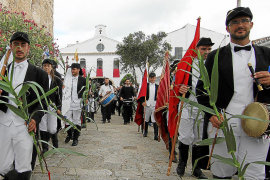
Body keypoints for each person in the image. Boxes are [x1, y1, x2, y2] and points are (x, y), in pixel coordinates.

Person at [196, 7, 270, 179]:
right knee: (221, 171)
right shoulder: (215, 56)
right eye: (234, 22)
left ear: (251, 24)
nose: (240, 25)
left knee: (255, 173)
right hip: (224, 123)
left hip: (258, 123)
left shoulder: (267, 54)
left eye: (244, 21)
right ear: (227, 28)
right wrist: (210, 114)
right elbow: (201, 88)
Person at [0, 32, 49, 179]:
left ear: (28, 48)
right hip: (3, 122)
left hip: (25, 124)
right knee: (2, 165)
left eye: (23, 45)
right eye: (16, 44)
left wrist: (35, 118)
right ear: (11, 47)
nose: (19, 48)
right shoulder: (2, 71)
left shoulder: (39, 74)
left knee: (24, 164)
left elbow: (43, 102)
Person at [176, 38, 214, 179]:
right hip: (188, 105)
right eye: (203, 49)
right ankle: (182, 163)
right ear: (197, 49)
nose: (206, 52)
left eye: (209, 49)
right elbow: (177, 85)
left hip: (203, 109)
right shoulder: (187, 65)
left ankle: (196, 168)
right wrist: (181, 88)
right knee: (185, 136)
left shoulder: (213, 65)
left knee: (199, 139)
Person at [39, 59, 62, 153]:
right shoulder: (39, 79)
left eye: (48, 66)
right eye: (45, 66)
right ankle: (45, 147)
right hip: (41, 105)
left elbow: (59, 94)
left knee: (52, 127)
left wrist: (59, 107)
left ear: (52, 67)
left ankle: (55, 145)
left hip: (52, 105)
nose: (46, 68)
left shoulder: (56, 80)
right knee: (42, 125)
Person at [64, 63, 86, 146]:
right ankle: (69, 135)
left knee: (76, 120)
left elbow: (86, 91)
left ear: (78, 69)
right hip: (68, 102)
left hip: (78, 102)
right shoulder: (67, 79)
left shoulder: (83, 80)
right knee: (68, 120)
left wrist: (85, 99)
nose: (72, 71)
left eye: (74, 69)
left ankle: (76, 138)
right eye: (72, 69)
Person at [142, 72, 159, 140]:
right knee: (146, 119)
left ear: (155, 78)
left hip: (154, 104)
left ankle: (156, 134)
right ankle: (145, 131)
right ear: (149, 78)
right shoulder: (146, 86)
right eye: (151, 78)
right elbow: (142, 95)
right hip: (147, 104)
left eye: (153, 78)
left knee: (154, 119)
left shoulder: (157, 86)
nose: (152, 79)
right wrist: (143, 101)